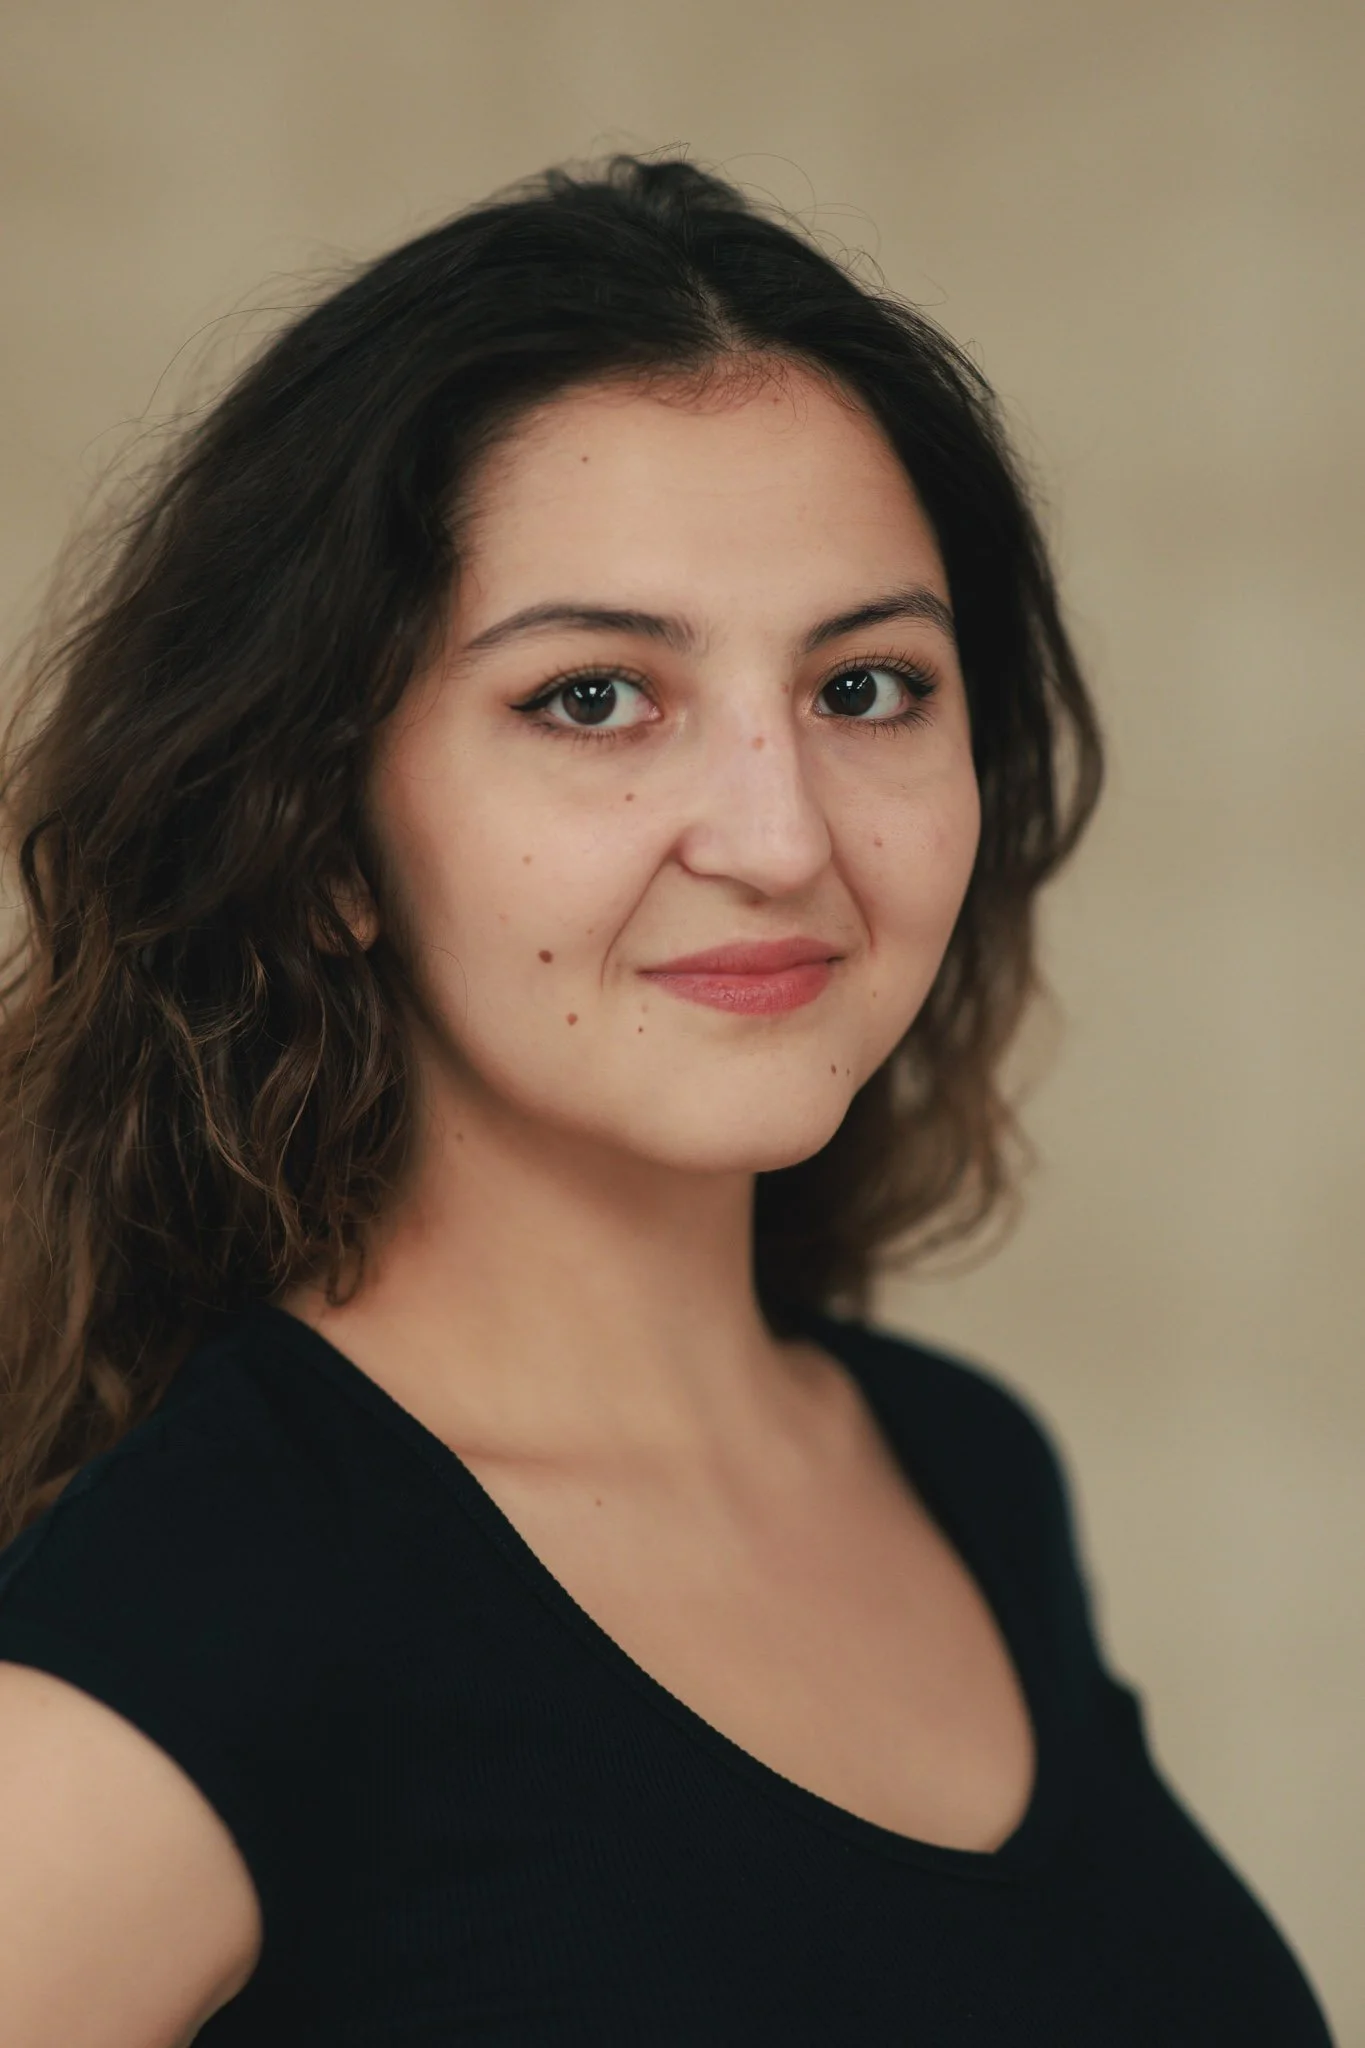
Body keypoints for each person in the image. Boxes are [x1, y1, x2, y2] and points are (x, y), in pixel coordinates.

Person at [0, 154, 1333, 2045]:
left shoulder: (962, 1473)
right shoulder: (206, 1613)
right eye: (596, 702)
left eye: (869, 687)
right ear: (322, 838)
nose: (783, 839)